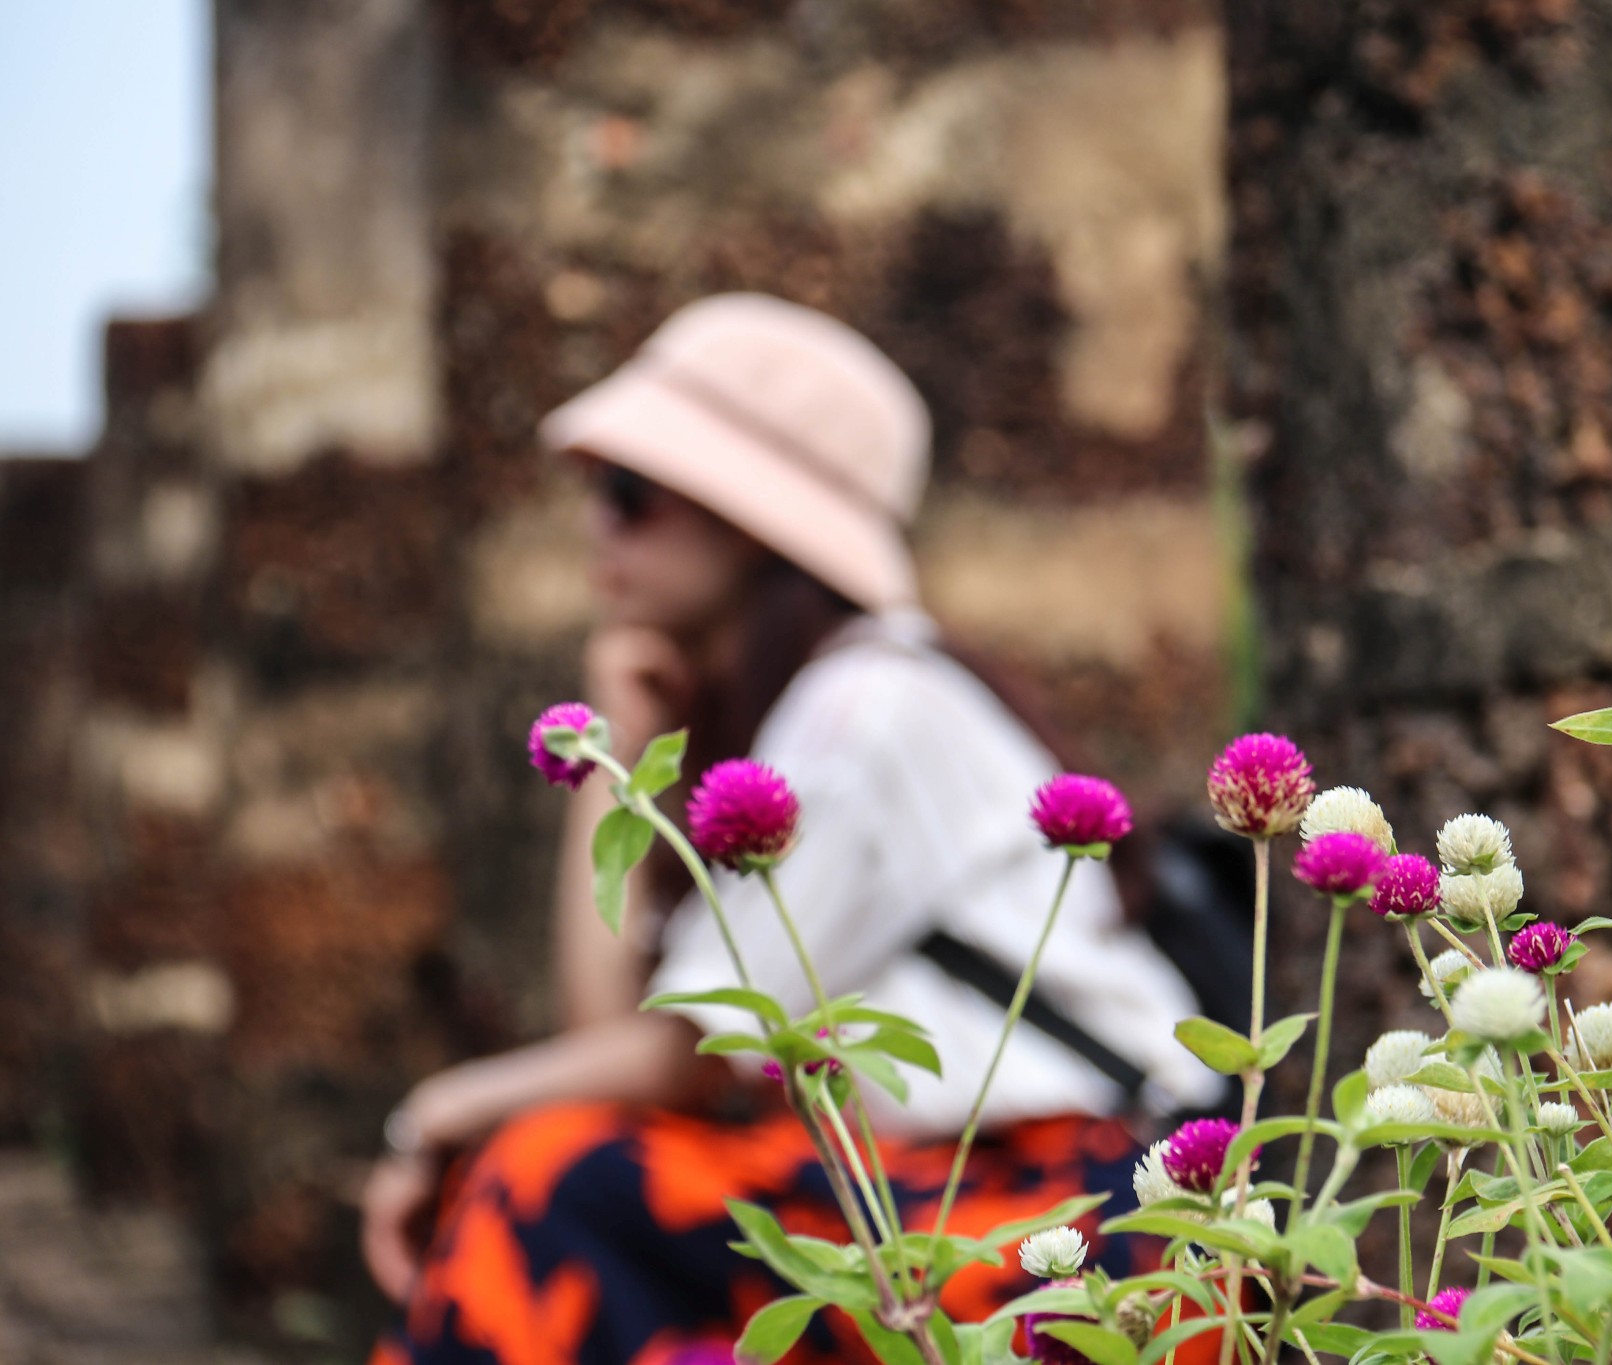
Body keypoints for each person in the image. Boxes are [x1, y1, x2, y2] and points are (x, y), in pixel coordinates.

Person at [362, 294, 1219, 1365]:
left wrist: (436, 1114)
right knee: (577, 1179)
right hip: (949, 1191)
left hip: (1078, 1224)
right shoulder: (827, 706)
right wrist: (613, 758)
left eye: (631, 495)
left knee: (547, 1180)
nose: (595, 530)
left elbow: (664, 1063)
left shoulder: (863, 710)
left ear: (746, 518)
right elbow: (625, 1043)